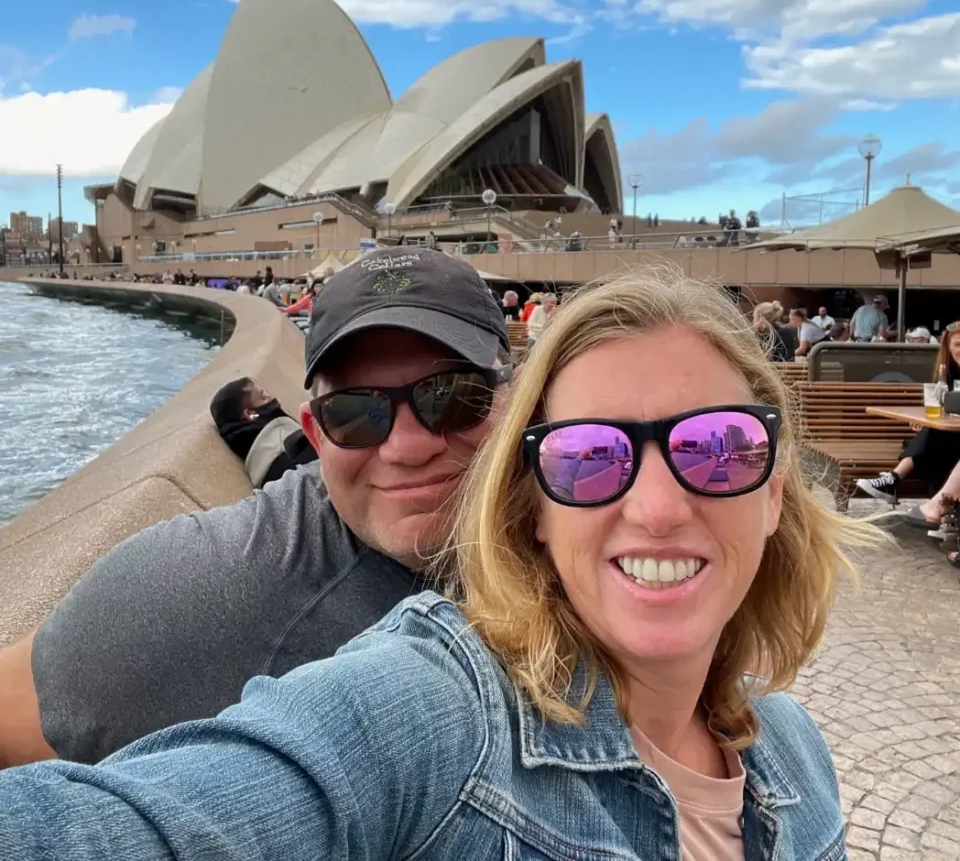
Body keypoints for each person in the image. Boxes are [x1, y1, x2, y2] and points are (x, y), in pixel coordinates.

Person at [0, 269, 877, 859]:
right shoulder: (428, 696)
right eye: (355, 415)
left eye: (716, 449)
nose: (411, 445)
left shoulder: (796, 762)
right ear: (533, 506)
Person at [0, 248, 512, 768]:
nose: (408, 447)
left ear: (520, 402)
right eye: (356, 413)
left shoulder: (577, 510)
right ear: (318, 435)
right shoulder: (218, 583)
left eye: (452, 397)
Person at [857, 322, 960, 503]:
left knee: (934, 440)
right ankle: (943, 512)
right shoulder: (947, 375)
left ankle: (894, 479)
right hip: (950, 440)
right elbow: (945, 408)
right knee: (935, 439)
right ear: (948, 349)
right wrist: (925, 420)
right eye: (957, 345)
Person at [210, 377, 318, 488]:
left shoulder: (258, 462)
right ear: (250, 414)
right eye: (263, 397)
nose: (272, 398)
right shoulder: (289, 446)